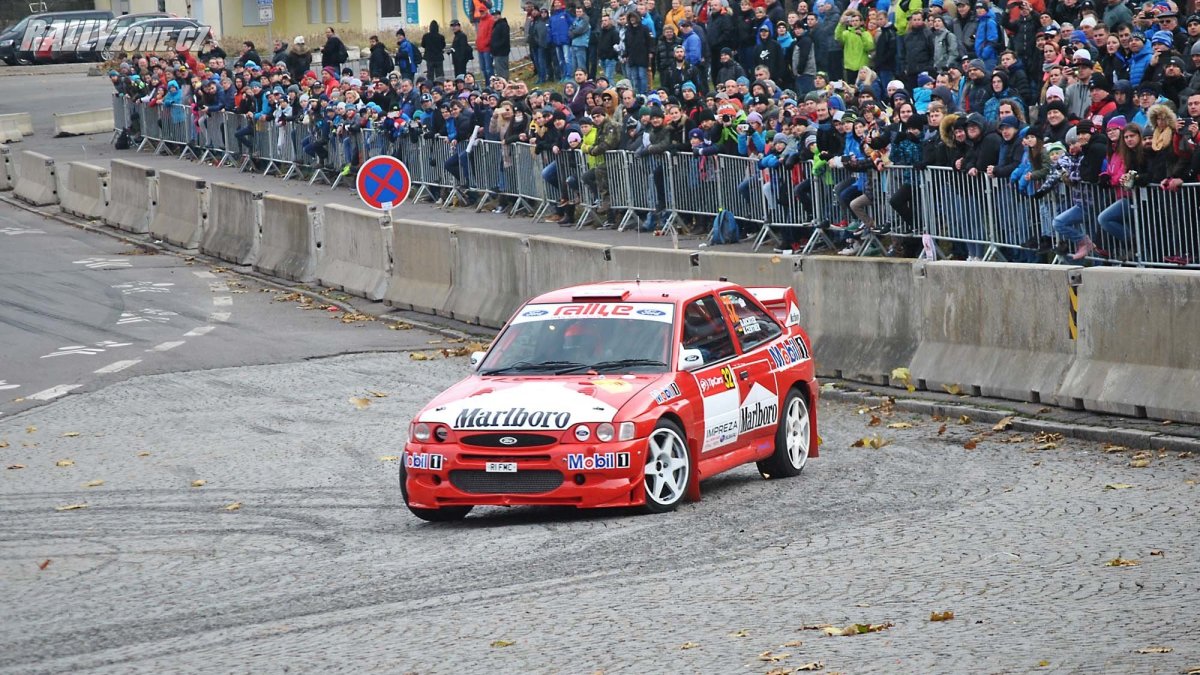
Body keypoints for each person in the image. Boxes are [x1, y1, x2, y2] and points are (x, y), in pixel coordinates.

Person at [492, 10, 511, 79]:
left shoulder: (503, 25)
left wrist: (496, 46)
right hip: (496, 52)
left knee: (502, 71)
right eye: (493, 15)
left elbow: (505, 39)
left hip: (502, 52)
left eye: (496, 15)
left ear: (500, 15)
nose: (495, 16)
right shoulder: (496, 25)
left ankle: (504, 84)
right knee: (498, 71)